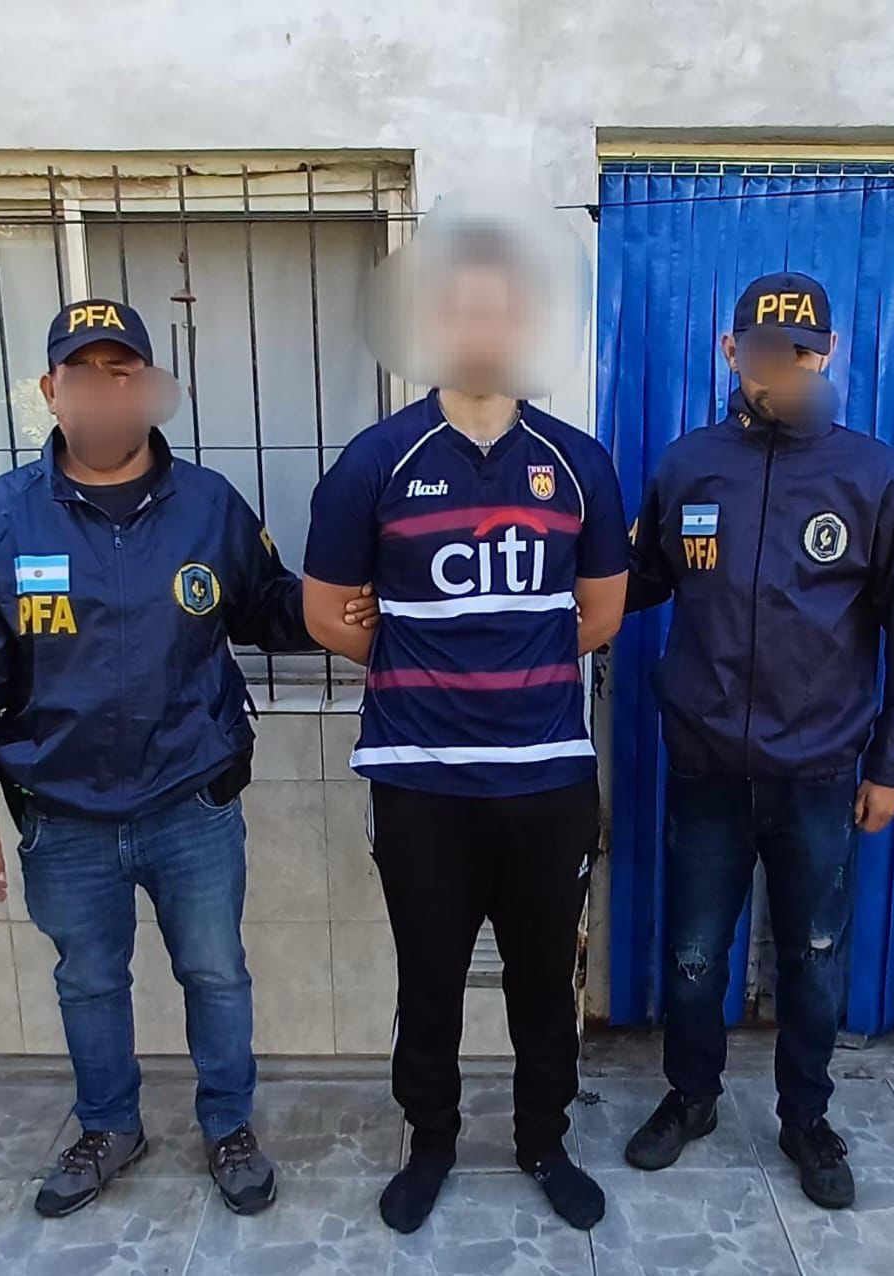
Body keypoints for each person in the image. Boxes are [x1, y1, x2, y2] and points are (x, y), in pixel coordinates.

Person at [0, 298, 376, 1219]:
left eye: (123, 375)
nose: (105, 394)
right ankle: (107, 1127)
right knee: (88, 981)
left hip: (189, 801)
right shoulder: (3, 515)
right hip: (60, 809)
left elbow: (265, 606)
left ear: (152, 389)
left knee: (215, 973)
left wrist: (337, 612)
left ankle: (229, 1126)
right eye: (83, 376)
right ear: (52, 391)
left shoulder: (208, 505)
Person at [303, 222, 629, 1234]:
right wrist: (426, 658)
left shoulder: (576, 462)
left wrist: (503, 658)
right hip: (420, 783)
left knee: (542, 984)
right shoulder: (376, 460)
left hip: (545, 780)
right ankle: (432, 1142)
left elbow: (600, 614)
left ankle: (543, 1141)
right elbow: (325, 613)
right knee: (431, 981)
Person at [621, 272, 894, 1210]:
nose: (781, 369)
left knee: (814, 958)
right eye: (763, 352)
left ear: (827, 353)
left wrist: (893, 764)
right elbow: (638, 580)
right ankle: (692, 1097)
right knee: (692, 960)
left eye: (800, 353)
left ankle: (806, 1117)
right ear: (731, 352)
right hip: (707, 768)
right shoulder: (688, 465)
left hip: (820, 775)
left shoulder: (875, 476)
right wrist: (545, 588)